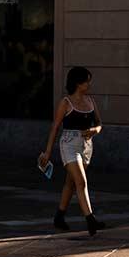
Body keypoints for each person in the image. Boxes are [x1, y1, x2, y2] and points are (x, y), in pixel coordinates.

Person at [38, 67, 103, 234]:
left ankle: (59, 216)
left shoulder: (91, 101)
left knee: (71, 183)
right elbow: (55, 127)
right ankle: (90, 219)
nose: (89, 84)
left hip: (87, 145)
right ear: (77, 83)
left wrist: (95, 130)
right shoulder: (66, 103)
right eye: (86, 81)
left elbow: (99, 123)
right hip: (69, 144)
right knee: (81, 181)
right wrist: (47, 152)